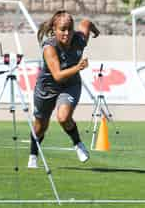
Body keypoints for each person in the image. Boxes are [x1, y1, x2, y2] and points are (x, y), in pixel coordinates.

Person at [28, 10, 100, 168]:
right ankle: (33, 155)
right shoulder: (49, 47)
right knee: (40, 126)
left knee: (63, 117)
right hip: (47, 87)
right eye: (63, 29)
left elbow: (86, 23)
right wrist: (78, 67)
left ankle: (78, 144)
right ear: (54, 30)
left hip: (70, 85)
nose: (67, 33)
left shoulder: (79, 39)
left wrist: (95, 30)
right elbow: (58, 76)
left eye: (70, 29)